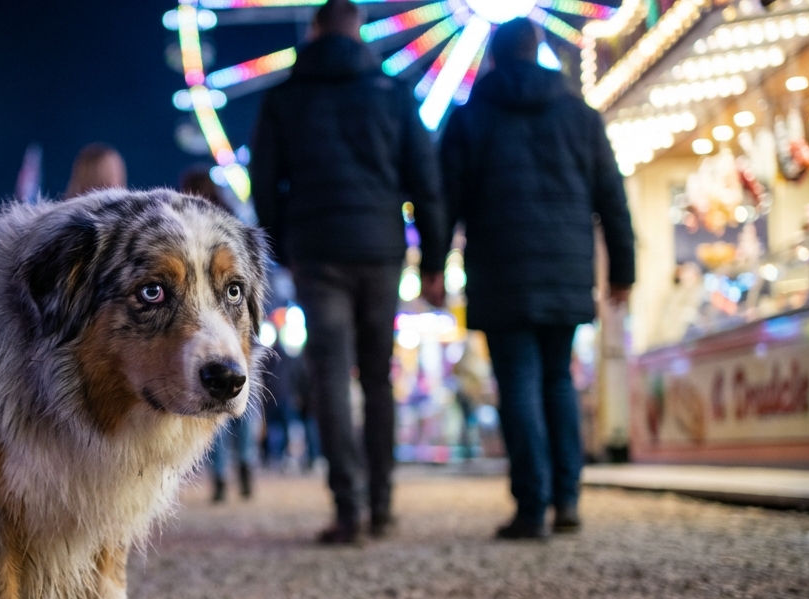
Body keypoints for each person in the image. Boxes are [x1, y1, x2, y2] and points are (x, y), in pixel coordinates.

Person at [250, 0, 447, 543]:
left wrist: (281, 243)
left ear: (314, 30)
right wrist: (433, 260)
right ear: (359, 29)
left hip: (316, 249)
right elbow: (426, 184)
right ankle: (382, 501)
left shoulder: (286, 97)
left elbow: (264, 182)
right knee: (378, 374)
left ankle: (348, 504)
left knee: (331, 372)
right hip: (381, 248)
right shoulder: (393, 95)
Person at [431, 18, 634, 539]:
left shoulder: (470, 117)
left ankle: (531, 504)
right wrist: (623, 270)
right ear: (539, 48)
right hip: (566, 269)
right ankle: (567, 498)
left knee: (518, 382)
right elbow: (611, 196)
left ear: (492, 58)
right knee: (557, 379)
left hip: (500, 270)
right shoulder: (580, 117)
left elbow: (444, 200)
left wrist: (432, 265)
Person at [179, 166, 258, 501]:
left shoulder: (181, 228)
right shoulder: (235, 224)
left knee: (210, 408)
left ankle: (223, 476)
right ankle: (245, 469)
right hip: (239, 334)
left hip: (220, 336)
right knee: (240, 408)